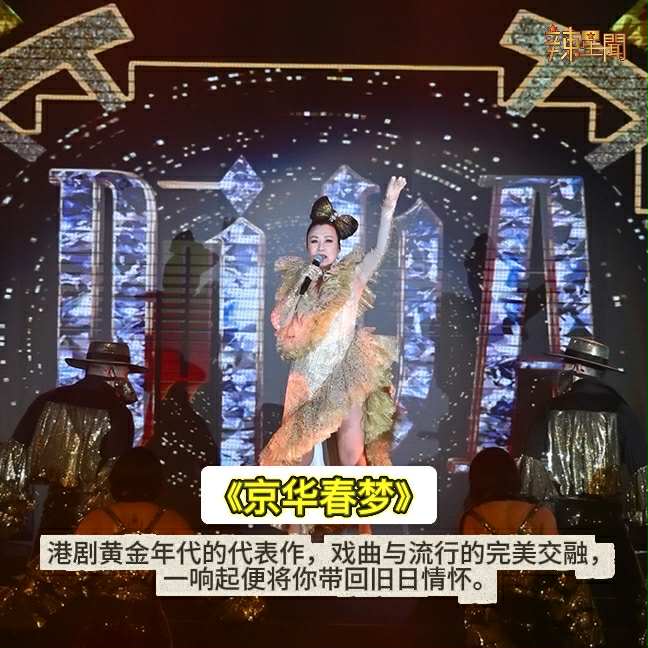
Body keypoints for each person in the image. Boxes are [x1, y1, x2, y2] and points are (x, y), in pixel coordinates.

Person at [260, 175, 407, 469]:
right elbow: (280, 321)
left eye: (328, 241)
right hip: (305, 374)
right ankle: (299, 500)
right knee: (297, 453)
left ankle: (360, 500)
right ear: (307, 246)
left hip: (344, 369)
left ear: (339, 247)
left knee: (351, 454)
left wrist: (388, 207)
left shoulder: (352, 277)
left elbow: (378, 252)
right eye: (314, 241)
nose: (321, 246)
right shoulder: (297, 281)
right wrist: (302, 285)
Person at [520, 335, 648, 645]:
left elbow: (531, 479)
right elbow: (642, 473)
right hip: (609, 527)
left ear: (576, 368)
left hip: (562, 527)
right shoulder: (621, 410)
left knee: (554, 614)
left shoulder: (550, 410)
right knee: (624, 609)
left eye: (567, 364)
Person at [461, 447, 603, 648]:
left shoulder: (472, 519)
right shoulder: (540, 515)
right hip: (538, 620)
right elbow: (559, 571)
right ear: (513, 476)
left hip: (493, 624)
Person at [0, 341, 144, 539]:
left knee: (49, 556)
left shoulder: (47, 400)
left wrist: (13, 510)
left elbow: (14, 454)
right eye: (126, 372)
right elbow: (115, 471)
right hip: (96, 521)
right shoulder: (118, 412)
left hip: (53, 510)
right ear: (110, 371)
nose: (127, 377)